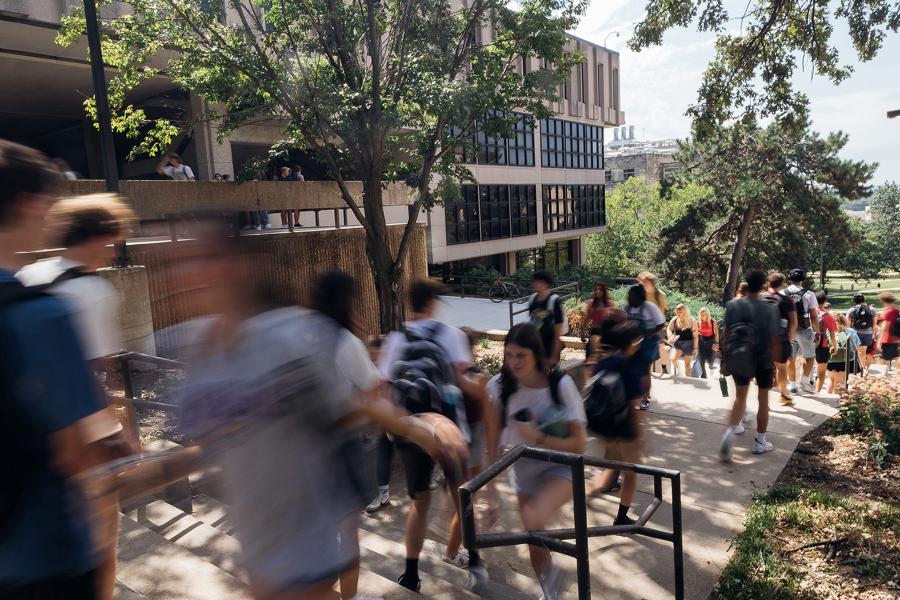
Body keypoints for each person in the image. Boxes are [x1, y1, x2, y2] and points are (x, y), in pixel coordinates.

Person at [175, 230, 446, 600]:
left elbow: (342, 408)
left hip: (289, 529)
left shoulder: (294, 333)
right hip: (277, 517)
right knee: (348, 530)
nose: (190, 273)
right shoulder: (209, 346)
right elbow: (366, 401)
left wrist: (414, 430)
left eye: (205, 258)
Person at [0, 140, 121, 598]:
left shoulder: (35, 284)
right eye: (49, 204)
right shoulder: (41, 314)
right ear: (27, 203)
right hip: (41, 554)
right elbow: (75, 453)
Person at [17, 192, 140, 599]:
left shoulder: (30, 276)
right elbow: (97, 374)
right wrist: (122, 433)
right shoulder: (94, 293)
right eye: (113, 239)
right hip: (84, 439)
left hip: (32, 431)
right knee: (102, 541)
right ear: (100, 237)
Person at [377, 278, 485, 592]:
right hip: (447, 429)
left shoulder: (395, 339)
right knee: (462, 498)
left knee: (420, 502)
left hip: (411, 431)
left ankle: (410, 574)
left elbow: (384, 390)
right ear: (434, 302)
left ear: (410, 302)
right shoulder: (451, 335)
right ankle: (475, 562)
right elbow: (466, 384)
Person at [486, 323, 587, 600]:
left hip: (561, 468)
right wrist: (491, 494)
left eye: (521, 356)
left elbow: (579, 443)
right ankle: (550, 592)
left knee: (533, 517)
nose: (514, 362)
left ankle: (556, 584)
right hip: (523, 472)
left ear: (537, 356)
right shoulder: (498, 387)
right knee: (533, 536)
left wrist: (537, 435)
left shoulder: (559, 385)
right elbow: (491, 442)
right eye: (509, 355)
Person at [586, 319, 645, 526]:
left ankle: (589, 491)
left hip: (605, 427)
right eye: (637, 340)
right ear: (630, 343)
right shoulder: (630, 369)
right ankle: (621, 517)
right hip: (625, 430)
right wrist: (638, 437)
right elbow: (633, 407)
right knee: (630, 475)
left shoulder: (603, 362)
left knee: (612, 466)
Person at [719, 269, 781, 462]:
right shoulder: (770, 308)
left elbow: (727, 334)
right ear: (763, 285)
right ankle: (760, 442)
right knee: (764, 401)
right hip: (763, 359)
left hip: (739, 356)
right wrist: (777, 365)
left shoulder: (733, 306)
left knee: (740, 398)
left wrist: (724, 359)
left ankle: (728, 435)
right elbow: (774, 340)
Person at [624, 284, 666, 410]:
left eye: (632, 296)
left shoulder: (650, 307)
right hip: (632, 342)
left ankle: (645, 398)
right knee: (628, 369)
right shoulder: (627, 308)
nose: (629, 299)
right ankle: (630, 396)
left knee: (644, 371)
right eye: (629, 296)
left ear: (640, 297)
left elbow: (661, 324)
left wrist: (646, 334)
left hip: (649, 343)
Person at [781, 269, 820, 394]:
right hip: (804, 329)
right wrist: (817, 332)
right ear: (803, 279)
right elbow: (813, 315)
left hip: (788, 329)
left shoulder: (782, 293)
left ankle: (792, 385)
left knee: (790, 358)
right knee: (809, 356)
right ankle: (805, 381)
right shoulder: (809, 294)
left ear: (789, 279)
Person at [764, 273, 798, 405]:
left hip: (762, 340)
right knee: (781, 368)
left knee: (765, 369)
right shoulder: (787, 300)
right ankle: (784, 395)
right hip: (780, 339)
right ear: (782, 284)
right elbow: (794, 322)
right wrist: (790, 336)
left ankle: (764, 400)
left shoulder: (761, 297)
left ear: (768, 283)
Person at [527, 270, 566, 368]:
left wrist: (554, 356)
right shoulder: (532, 299)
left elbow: (558, 333)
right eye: (534, 281)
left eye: (537, 281)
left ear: (545, 283)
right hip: (536, 345)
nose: (534, 284)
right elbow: (532, 323)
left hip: (550, 345)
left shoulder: (554, 301)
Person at [638, 272, 669, 373]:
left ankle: (664, 367)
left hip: (657, 324)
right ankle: (647, 370)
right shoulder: (641, 293)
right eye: (642, 282)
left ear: (651, 283)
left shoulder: (660, 295)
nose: (642, 284)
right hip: (644, 325)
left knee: (660, 347)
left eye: (645, 282)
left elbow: (663, 312)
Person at [583, 282, 616, 370]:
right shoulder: (591, 304)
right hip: (594, 331)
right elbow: (587, 319)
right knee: (591, 357)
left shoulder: (610, 304)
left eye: (600, 289)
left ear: (604, 291)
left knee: (604, 357)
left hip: (606, 332)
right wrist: (582, 332)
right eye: (596, 289)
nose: (597, 291)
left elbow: (616, 318)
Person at [826, 313, 861, 393]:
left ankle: (829, 398)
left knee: (831, 380)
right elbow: (857, 347)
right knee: (840, 383)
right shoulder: (851, 332)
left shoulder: (828, 332)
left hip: (831, 359)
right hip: (844, 359)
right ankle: (837, 401)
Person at [665, 304, 698, 377]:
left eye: (680, 312)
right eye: (677, 312)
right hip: (678, 344)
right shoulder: (675, 319)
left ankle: (687, 380)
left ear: (685, 311)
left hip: (689, 344)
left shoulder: (692, 320)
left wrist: (695, 348)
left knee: (687, 365)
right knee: (673, 359)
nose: (678, 313)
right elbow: (669, 329)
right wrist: (670, 336)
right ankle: (679, 369)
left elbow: (695, 336)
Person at [847, 294, 876, 371]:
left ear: (854, 301)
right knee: (863, 351)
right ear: (864, 300)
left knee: (858, 351)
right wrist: (873, 332)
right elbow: (874, 323)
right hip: (868, 333)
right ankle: (862, 367)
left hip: (856, 333)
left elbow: (848, 323)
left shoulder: (851, 310)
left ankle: (860, 368)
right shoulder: (872, 309)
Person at [814, 298, 837, 393]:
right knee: (822, 371)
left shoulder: (809, 312)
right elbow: (832, 334)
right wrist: (834, 347)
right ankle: (817, 392)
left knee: (806, 364)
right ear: (824, 303)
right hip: (822, 345)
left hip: (806, 342)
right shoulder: (828, 316)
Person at [876, 291, 898, 369]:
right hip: (896, 339)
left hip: (887, 339)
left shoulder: (888, 312)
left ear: (884, 301)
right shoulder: (897, 310)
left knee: (881, 359)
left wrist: (879, 341)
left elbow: (885, 327)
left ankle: (879, 378)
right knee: (896, 357)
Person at [696, 307, 719, 379]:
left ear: (707, 314)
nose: (703, 316)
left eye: (704, 315)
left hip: (710, 340)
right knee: (701, 358)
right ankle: (703, 375)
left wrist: (716, 343)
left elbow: (716, 334)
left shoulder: (712, 321)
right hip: (701, 340)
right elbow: (696, 333)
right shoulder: (698, 322)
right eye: (701, 315)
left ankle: (711, 364)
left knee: (711, 358)